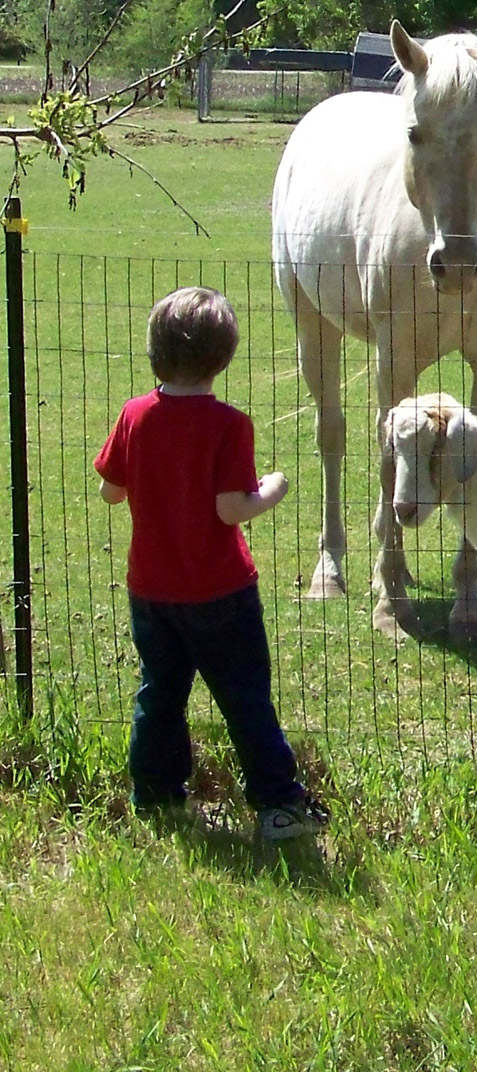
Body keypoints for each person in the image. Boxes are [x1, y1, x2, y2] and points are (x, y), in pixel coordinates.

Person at [94, 286, 327, 842]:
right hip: (220, 593)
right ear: (223, 358)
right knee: (245, 699)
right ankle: (277, 806)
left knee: (160, 694)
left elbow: (110, 491)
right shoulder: (228, 424)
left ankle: (154, 797)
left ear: (155, 350)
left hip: (151, 591)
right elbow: (231, 508)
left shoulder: (134, 415)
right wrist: (272, 489)